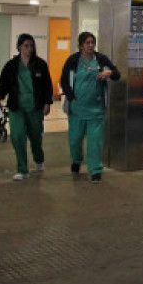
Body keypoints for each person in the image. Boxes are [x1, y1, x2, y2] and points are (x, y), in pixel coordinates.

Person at [61, 32, 121, 184]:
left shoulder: (101, 59)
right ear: (81, 45)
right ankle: (76, 159)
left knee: (95, 142)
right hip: (77, 109)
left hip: (96, 110)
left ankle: (95, 170)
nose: (90, 45)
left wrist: (110, 72)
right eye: (87, 43)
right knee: (75, 140)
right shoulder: (73, 60)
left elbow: (117, 75)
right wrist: (71, 98)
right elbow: (64, 80)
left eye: (92, 42)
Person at [0, 34, 53, 181]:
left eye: (31, 46)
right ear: (19, 47)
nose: (29, 49)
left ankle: (39, 159)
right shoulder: (11, 65)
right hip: (17, 107)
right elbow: (4, 84)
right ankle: (22, 169)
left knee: (35, 137)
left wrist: (47, 103)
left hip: (34, 108)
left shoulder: (40, 64)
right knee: (17, 136)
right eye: (26, 46)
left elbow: (47, 86)